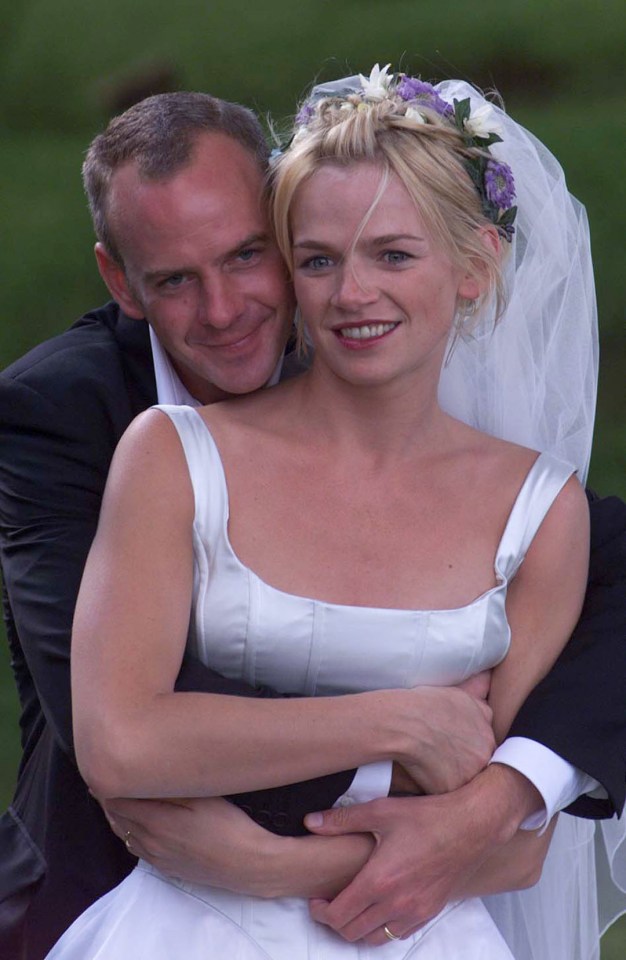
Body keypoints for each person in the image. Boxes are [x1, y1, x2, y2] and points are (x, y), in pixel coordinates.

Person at [0, 85, 623, 959]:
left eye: (394, 253)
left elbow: (518, 846)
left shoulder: (539, 509)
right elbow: (116, 738)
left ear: (474, 266)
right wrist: (408, 725)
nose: (350, 291)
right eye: (321, 260)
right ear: (123, 280)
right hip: (150, 902)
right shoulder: (120, 435)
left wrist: (281, 866)